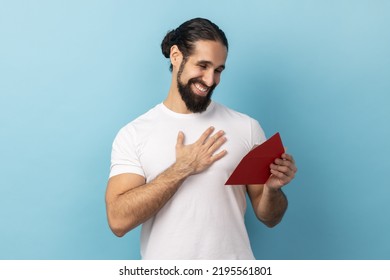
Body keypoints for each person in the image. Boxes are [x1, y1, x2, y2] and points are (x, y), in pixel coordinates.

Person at [105, 18, 297, 260]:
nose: (210, 80)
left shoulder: (246, 128)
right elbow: (118, 221)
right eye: (202, 66)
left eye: (218, 70)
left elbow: (270, 217)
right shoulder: (134, 133)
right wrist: (182, 169)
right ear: (176, 56)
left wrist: (272, 191)